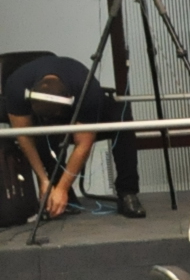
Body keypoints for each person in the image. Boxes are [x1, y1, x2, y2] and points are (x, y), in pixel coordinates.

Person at [2, 54, 145, 218]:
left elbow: (83, 144)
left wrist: (61, 188)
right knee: (41, 135)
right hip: (40, 119)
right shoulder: (16, 86)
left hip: (81, 107)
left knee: (122, 120)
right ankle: (60, 195)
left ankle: (127, 193)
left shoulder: (86, 87)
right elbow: (24, 136)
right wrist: (43, 180)